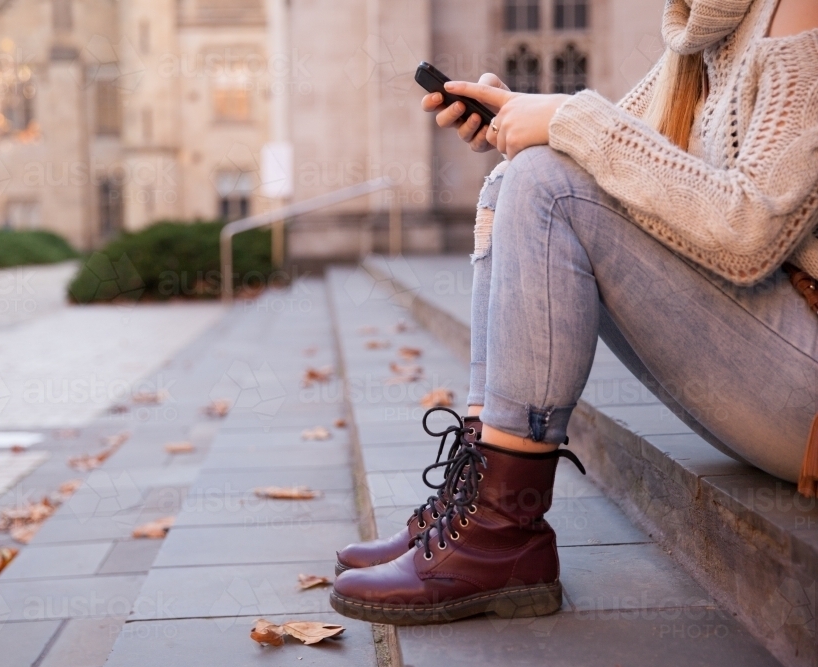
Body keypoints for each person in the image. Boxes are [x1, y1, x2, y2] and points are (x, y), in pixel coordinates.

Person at [331, 0, 818, 625]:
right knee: (518, 177)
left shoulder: (798, 12)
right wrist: (519, 115)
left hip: (801, 391)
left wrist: (562, 119)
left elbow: (751, 229)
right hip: (767, 373)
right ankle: (483, 500)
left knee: (545, 182)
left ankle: (504, 533)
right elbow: (614, 155)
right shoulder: (702, 33)